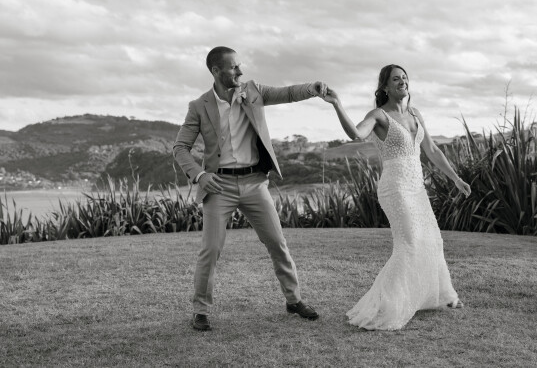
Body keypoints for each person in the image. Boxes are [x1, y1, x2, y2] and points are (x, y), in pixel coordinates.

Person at [173, 46, 327, 331]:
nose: (240, 71)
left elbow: (287, 93)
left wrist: (312, 88)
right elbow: (180, 148)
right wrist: (200, 175)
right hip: (219, 185)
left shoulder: (253, 91)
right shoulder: (199, 106)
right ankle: (201, 311)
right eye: (234, 67)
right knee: (210, 249)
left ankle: (294, 300)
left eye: (239, 66)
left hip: (255, 183)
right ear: (216, 71)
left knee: (277, 243)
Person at [321, 64, 472, 331]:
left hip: (417, 187)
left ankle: (442, 296)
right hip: (395, 188)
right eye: (395, 79)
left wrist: (456, 179)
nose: (402, 81)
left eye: (404, 77)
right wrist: (337, 104)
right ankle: (390, 307)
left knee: (433, 241)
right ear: (385, 87)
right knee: (409, 244)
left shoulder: (415, 113)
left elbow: (432, 150)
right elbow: (356, 133)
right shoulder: (379, 115)